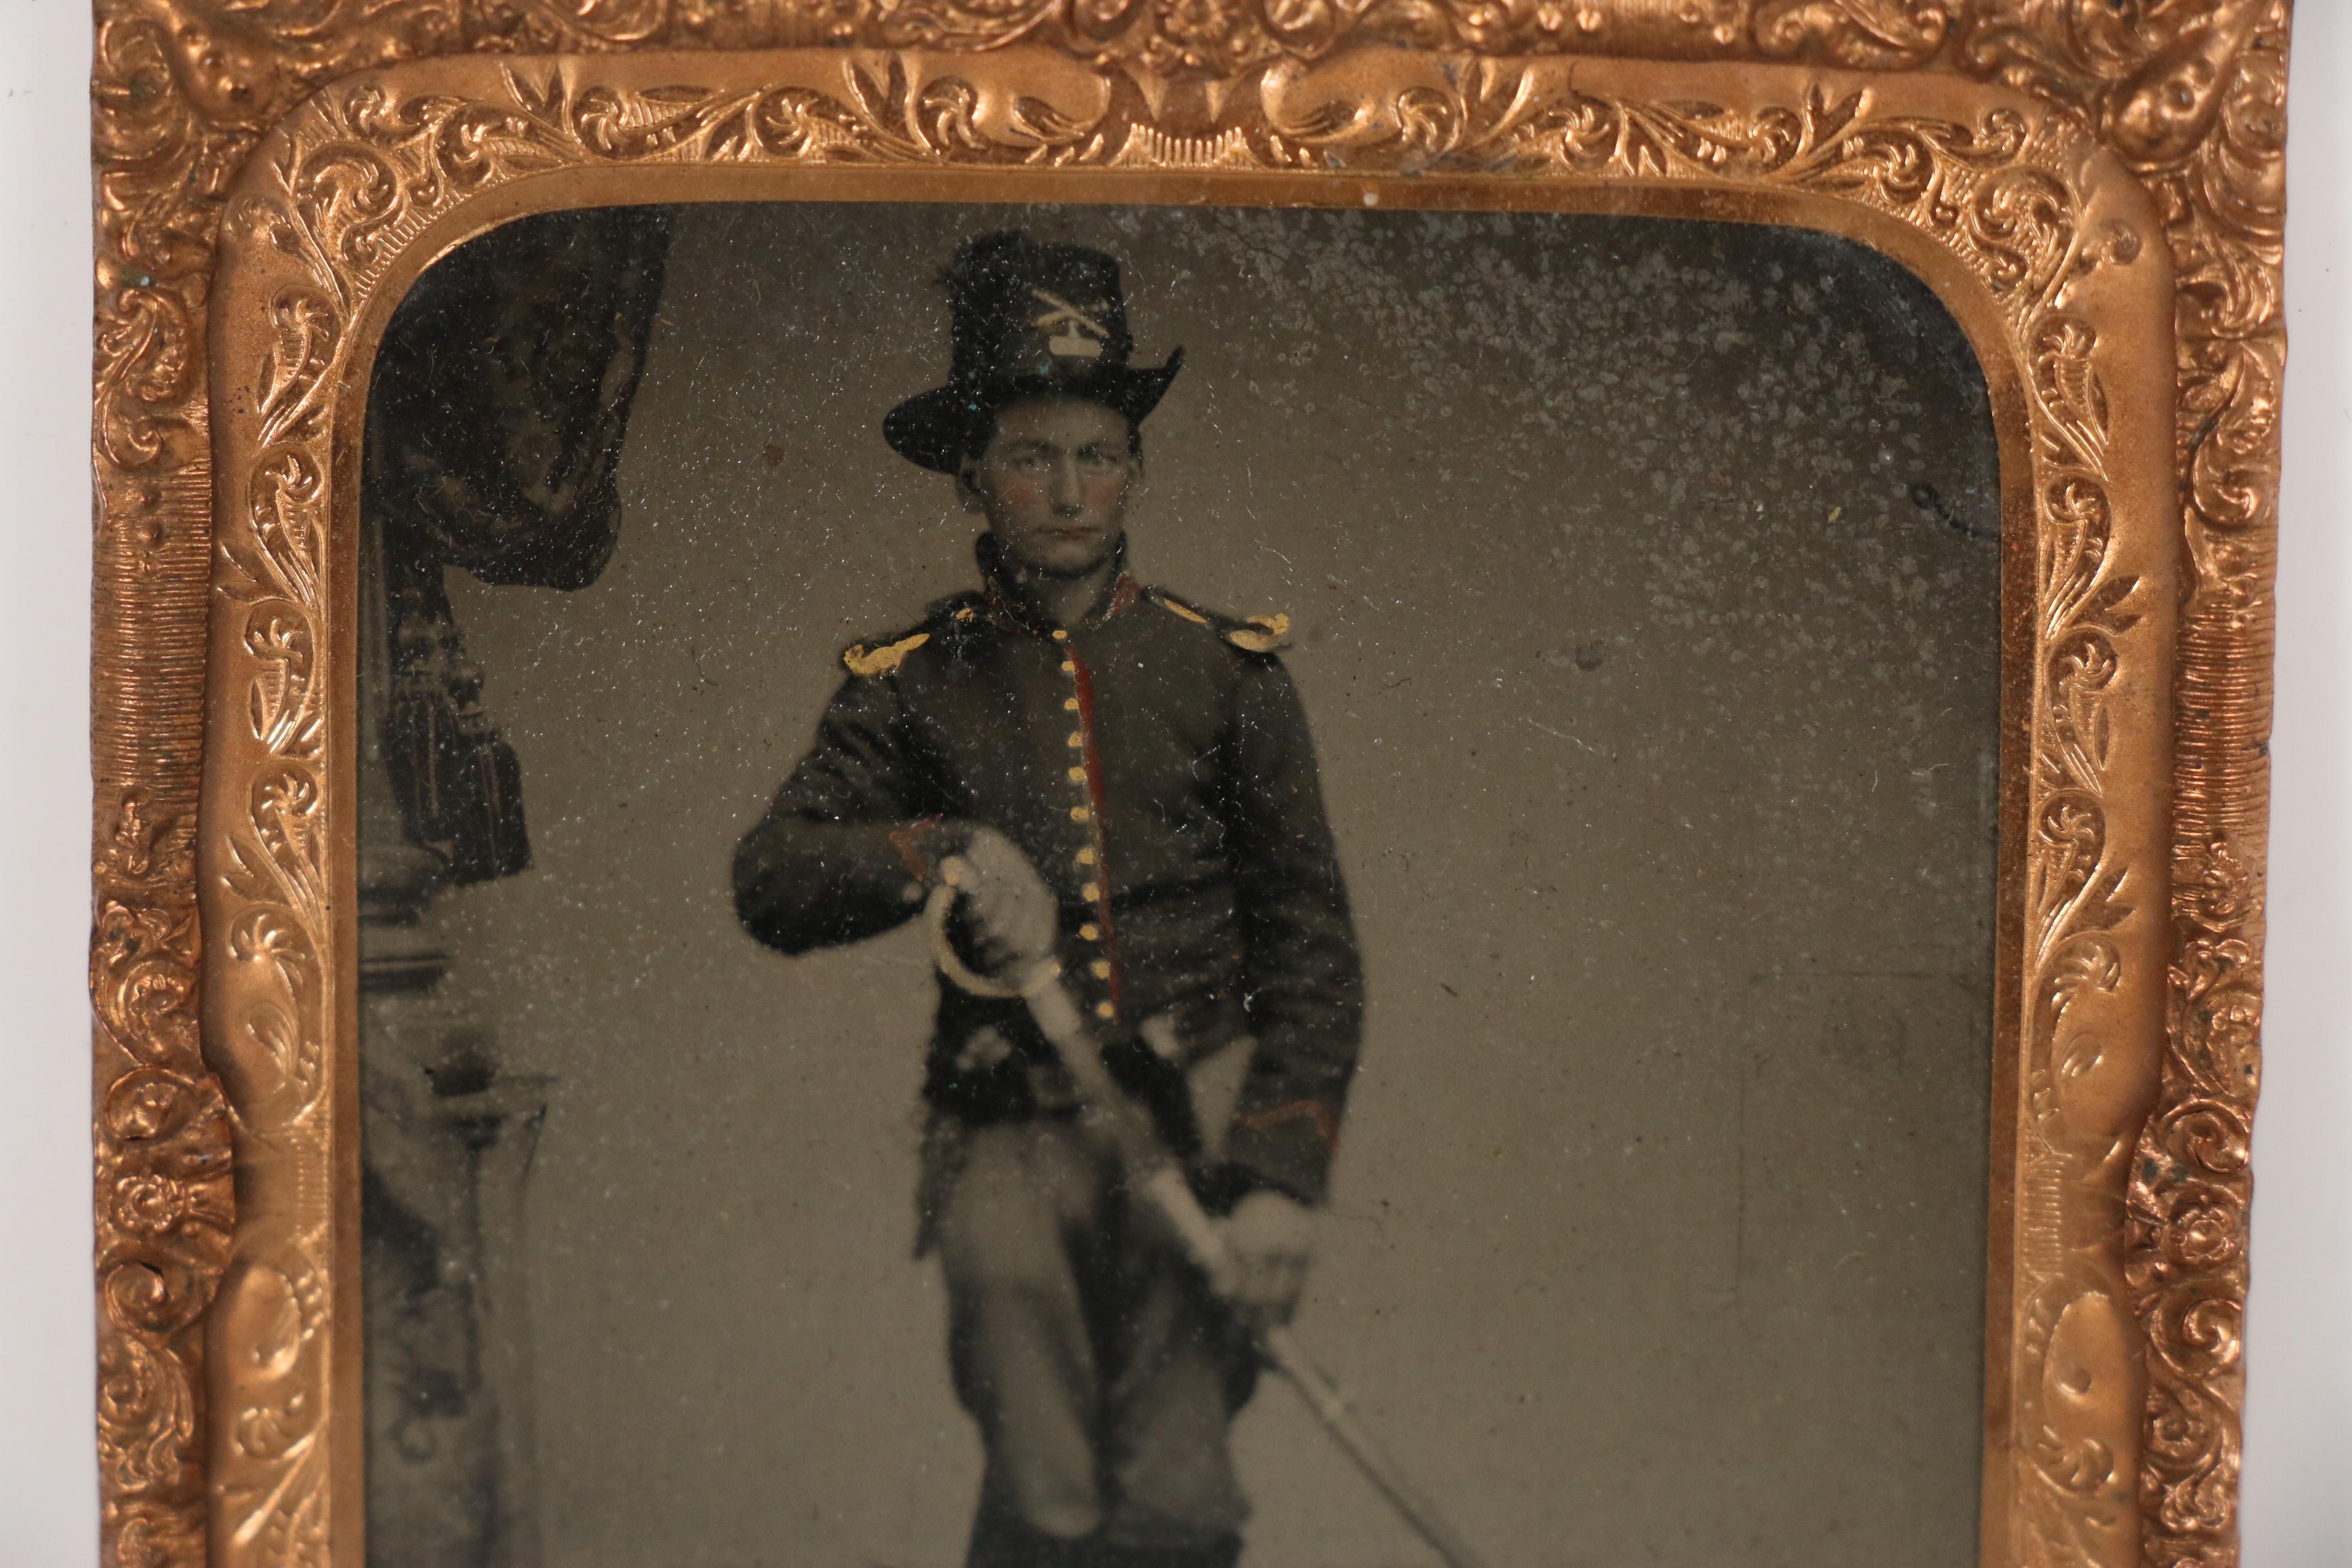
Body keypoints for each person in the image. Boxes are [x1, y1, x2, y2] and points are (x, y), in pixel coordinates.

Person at [732, 230, 1365, 1568]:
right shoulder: (914, 679)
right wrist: (942, 850)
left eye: (1097, 455)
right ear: (974, 475)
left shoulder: (1226, 675)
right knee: (1048, 1493)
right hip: (1005, 1130)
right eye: (1032, 457)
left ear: (1137, 469)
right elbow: (774, 875)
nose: (1069, 491)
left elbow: (1312, 946)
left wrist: (1281, 1183)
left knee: (1181, 1503)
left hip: (1191, 1133)